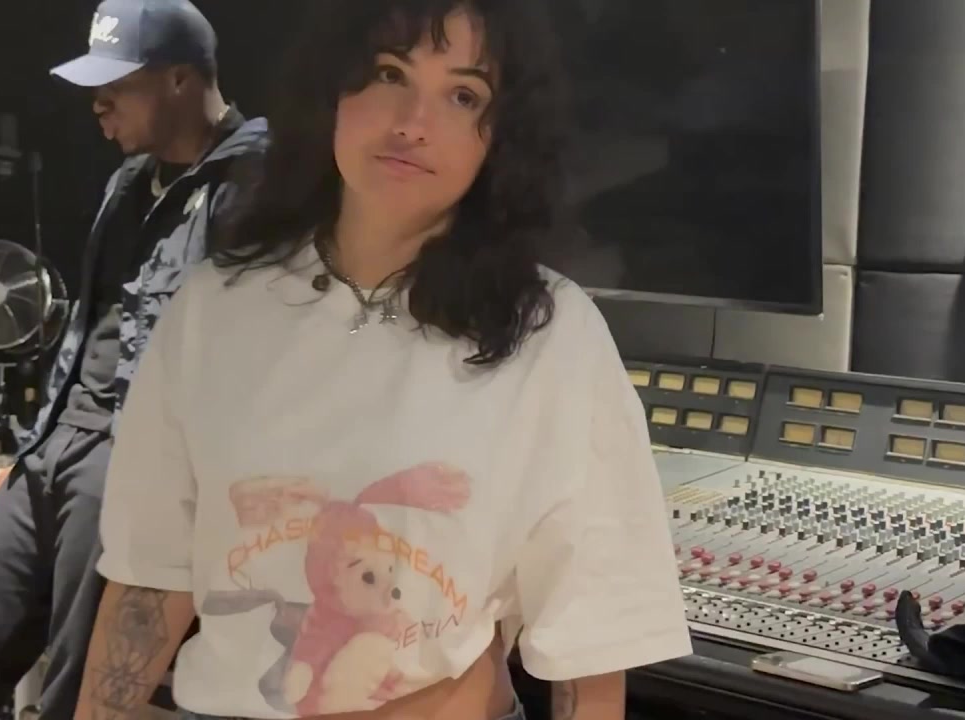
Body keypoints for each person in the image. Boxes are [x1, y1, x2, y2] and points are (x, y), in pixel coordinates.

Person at [76, 1, 691, 719]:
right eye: (389, 74)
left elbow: (590, 637)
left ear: (503, 136)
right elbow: (150, 575)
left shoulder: (550, 332)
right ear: (332, 90)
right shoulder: (214, 307)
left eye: (464, 95)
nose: (413, 122)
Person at [0, 1, 268, 718]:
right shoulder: (127, 182)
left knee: (79, 678)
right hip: (57, 448)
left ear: (180, 78)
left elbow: (248, 364)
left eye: (116, 86)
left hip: (134, 465)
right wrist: (36, 448)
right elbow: (89, 327)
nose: (98, 104)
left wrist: (174, 489)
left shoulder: (258, 185)